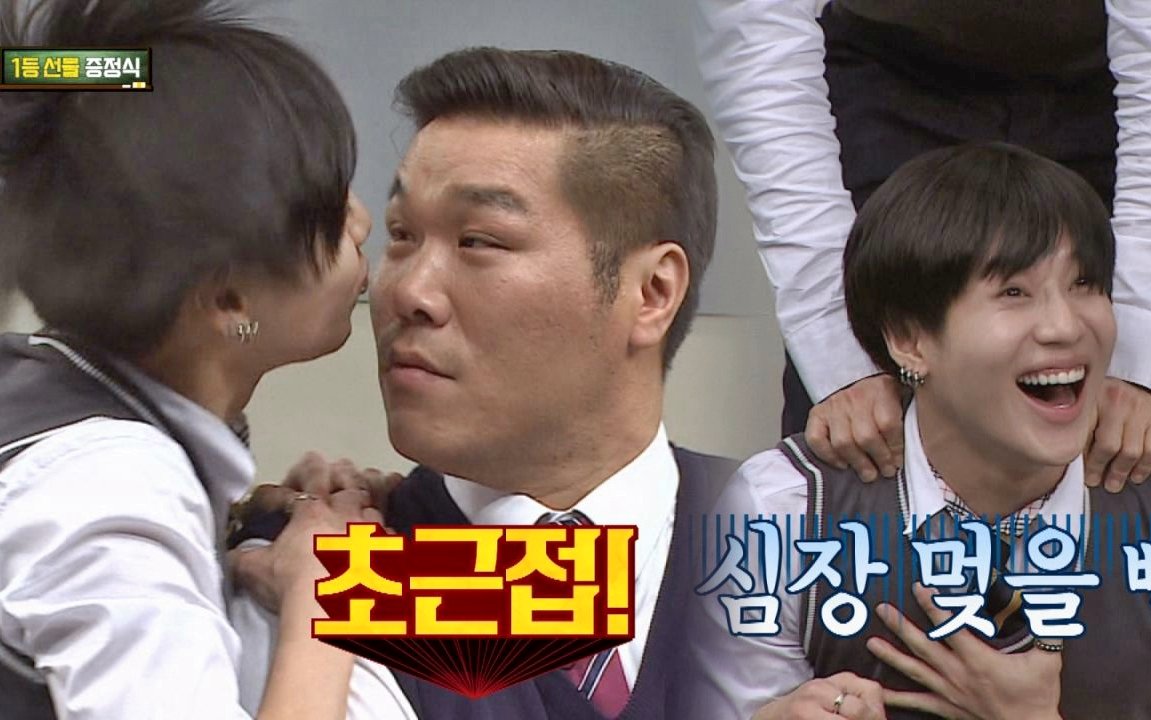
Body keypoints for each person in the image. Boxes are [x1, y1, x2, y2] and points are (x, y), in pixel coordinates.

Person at [692, 143, 1151, 719]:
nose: (1064, 326)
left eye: (1084, 285)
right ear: (910, 339)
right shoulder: (779, 517)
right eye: (1014, 292)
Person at [234, 46, 735, 720]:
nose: (406, 291)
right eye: (402, 235)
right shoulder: (306, 566)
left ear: (651, 292)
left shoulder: (802, 533)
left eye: (478, 241)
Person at [695, 0, 1151, 486]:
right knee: (860, 458)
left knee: (1147, 467)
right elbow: (757, 39)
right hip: (887, 76)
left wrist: (1140, 359)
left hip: (1127, 95)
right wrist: (840, 352)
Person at [0, 1, 378, 717]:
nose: (362, 222)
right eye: (327, 215)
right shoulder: (111, 487)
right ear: (230, 301)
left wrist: (239, 524)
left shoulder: (58, 409)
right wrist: (324, 596)